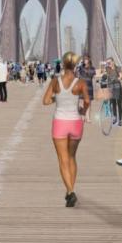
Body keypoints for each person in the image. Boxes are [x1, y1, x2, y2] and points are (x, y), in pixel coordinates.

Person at [43, 52, 90, 207]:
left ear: (62, 64)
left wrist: (57, 98)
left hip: (60, 123)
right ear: (76, 65)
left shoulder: (55, 81)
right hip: (76, 122)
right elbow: (88, 101)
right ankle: (70, 190)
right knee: (72, 158)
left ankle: (70, 192)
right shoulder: (81, 82)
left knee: (63, 160)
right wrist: (83, 110)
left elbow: (45, 101)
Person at [76, 56, 96, 123]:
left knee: (88, 103)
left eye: (86, 60)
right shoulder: (80, 67)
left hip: (89, 87)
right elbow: (76, 73)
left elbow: (92, 75)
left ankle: (88, 118)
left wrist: (85, 70)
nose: (85, 61)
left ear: (89, 60)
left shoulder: (92, 68)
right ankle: (83, 116)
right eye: (84, 60)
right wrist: (78, 66)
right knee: (81, 102)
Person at [105, 57, 122, 126]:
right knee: (113, 104)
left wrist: (118, 78)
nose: (108, 64)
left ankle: (120, 120)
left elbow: (121, 76)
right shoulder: (107, 69)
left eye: (109, 62)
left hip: (118, 88)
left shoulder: (117, 68)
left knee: (119, 104)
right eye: (107, 63)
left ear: (113, 62)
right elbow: (104, 75)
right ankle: (115, 118)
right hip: (111, 88)